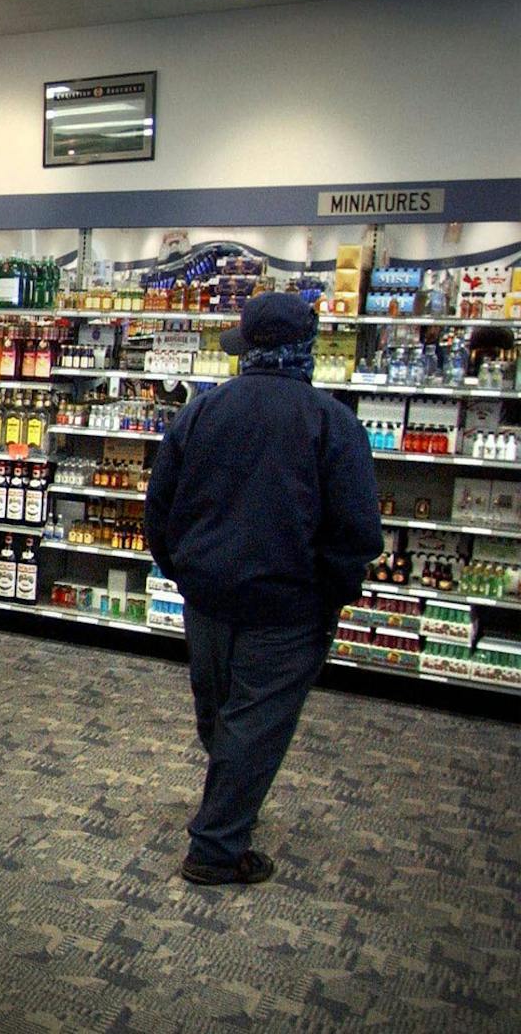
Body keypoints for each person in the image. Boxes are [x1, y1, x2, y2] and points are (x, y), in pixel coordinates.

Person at [143, 291, 381, 886]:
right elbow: (356, 529)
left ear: (251, 350)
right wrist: (328, 594)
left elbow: (160, 508)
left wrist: (185, 570)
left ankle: (229, 804)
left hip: (209, 598)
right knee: (255, 720)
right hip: (286, 607)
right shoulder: (333, 423)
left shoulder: (200, 412)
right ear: (307, 350)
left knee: (221, 713)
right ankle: (216, 850)